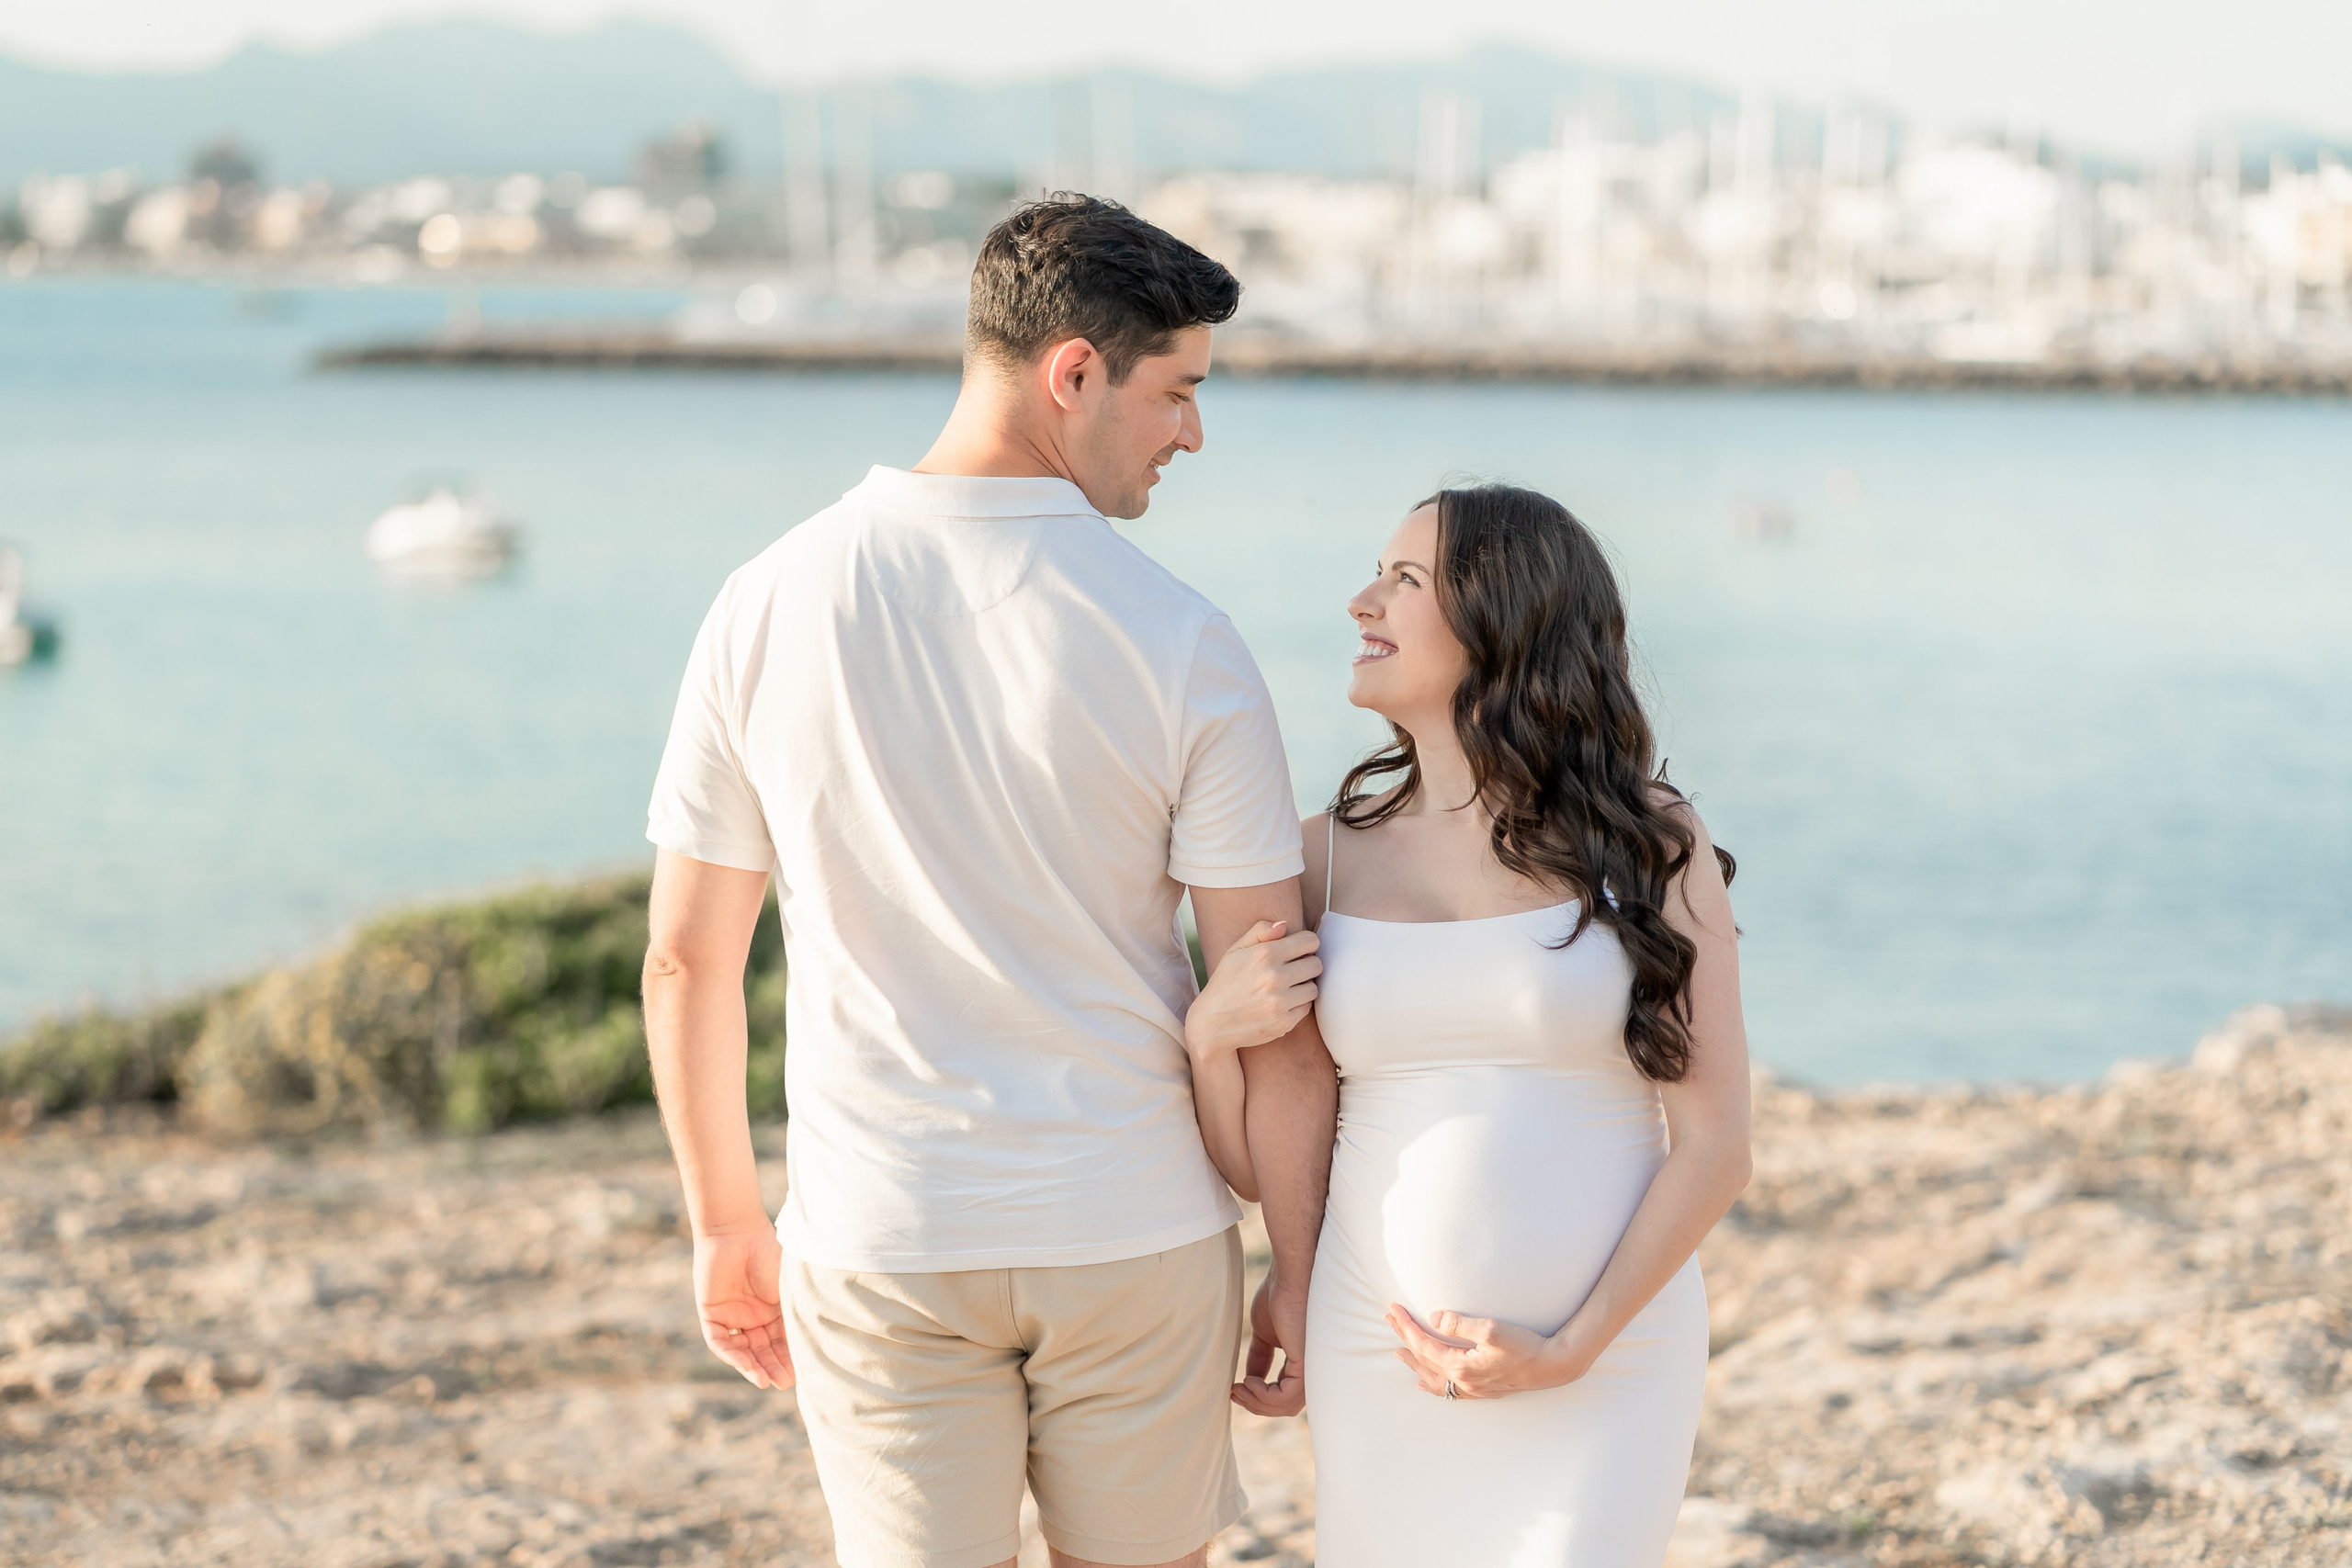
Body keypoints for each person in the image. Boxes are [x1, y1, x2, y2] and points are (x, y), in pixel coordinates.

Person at [638, 193, 1334, 1568]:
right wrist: (1304, 1270)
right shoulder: (1185, 640)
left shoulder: (767, 599)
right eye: (1178, 391)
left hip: (886, 1228)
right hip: (1131, 1227)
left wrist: (723, 1222)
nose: (1192, 431)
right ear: (1073, 372)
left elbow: (686, 959)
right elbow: (1277, 1002)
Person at [1185, 484, 1752, 1565]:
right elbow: (1260, 1156)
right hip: (1378, 1347)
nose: (1363, 602)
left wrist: (1572, 1348)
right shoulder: (1314, 857)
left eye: (1405, 579)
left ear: (1507, 614)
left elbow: (1718, 1146)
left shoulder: (1650, 841)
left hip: (1609, 1357)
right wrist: (1211, 1045)